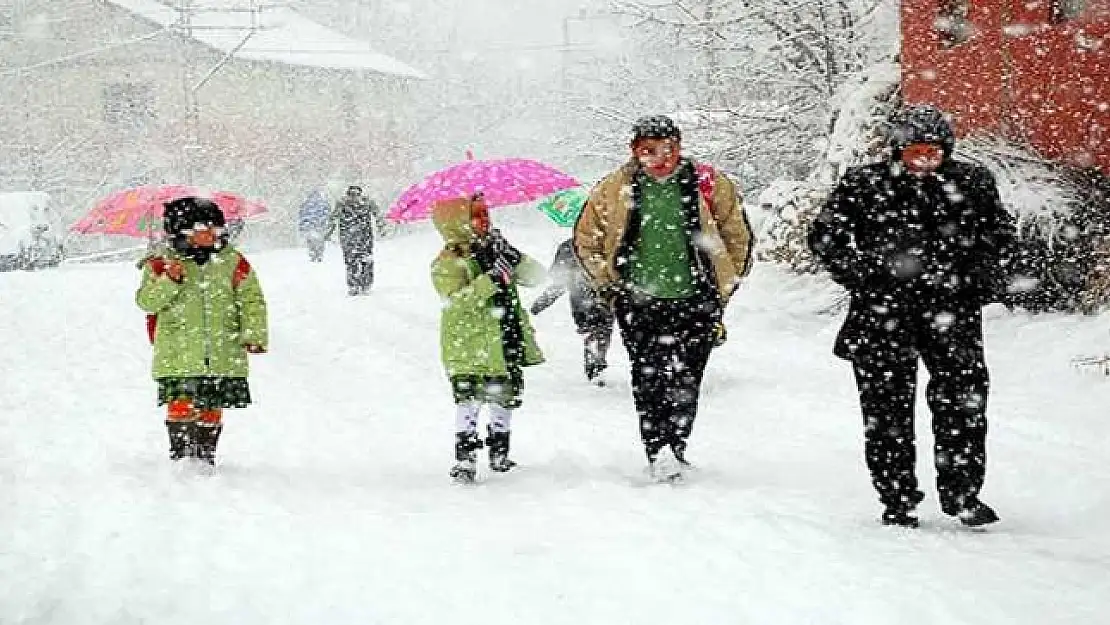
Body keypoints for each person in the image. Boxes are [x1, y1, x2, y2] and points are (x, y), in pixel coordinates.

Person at [807, 104, 1016, 528]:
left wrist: (977, 273)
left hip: (952, 314)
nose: (923, 160)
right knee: (886, 414)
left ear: (947, 150)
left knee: (963, 405)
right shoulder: (864, 184)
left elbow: (1000, 236)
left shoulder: (971, 183)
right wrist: (861, 273)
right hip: (881, 315)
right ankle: (897, 497)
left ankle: (963, 494)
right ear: (897, 150)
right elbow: (825, 236)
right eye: (913, 151)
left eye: (932, 152)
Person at [573, 115, 754, 481]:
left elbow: (737, 234)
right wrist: (609, 282)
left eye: (669, 149)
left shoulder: (708, 184)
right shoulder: (614, 188)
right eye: (649, 151)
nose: (661, 158)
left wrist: (724, 284)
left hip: (696, 298)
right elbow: (586, 238)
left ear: (680, 147)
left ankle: (678, 442)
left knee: (689, 376)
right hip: (638, 300)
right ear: (634, 152)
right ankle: (657, 448)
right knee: (648, 375)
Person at [136, 197, 269, 465]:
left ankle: (205, 453)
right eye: (203, 228)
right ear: (182, 231)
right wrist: (169, 280)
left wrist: (253, 334)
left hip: (222, 349)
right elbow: (146, 302)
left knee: (211, 402)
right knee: (181, 401)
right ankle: (182, 454)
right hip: (178, 350)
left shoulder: (232, 261)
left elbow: (252, 299)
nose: (212, 233)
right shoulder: (161, 263)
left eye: (216, 228)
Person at [431, 193, 546, 483]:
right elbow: (455, 302)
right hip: (471, 344)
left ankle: (500, 452)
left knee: (504, 396)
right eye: (476, 215)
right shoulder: (448, 261)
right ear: (457, 223)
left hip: (505, 335)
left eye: (486, 213)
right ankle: (465, 458)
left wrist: (514, 256)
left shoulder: (497, 250)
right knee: (469, 400)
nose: (485, 220)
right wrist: (490, 279)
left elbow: (536, 277)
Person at [530, 238, 615, 386]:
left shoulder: (570, 246)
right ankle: (596, 364)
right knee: (600, 332)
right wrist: (542, 303)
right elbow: (560, 281)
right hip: (596, 299)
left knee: (594, 332)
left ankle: (595, 364)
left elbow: (559, 282)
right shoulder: (606, 243)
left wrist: (542, 302)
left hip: (585, 300)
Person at [326, 185, 380, 295]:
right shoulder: (367, 202)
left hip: (348, 237)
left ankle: (353, 285)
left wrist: (328, 233)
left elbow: (332, 218)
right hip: (365, 236)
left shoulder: (342, 203)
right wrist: (381, 226)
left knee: (351, 261)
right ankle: (366, 284)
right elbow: (378, 215)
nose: (354, 197)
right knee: (366, 260)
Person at [298, 188, 331, 262]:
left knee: (311, 240)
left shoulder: (306, 203)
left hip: (309, 225)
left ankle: (313, 252)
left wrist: (302, 226)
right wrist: (325, 222)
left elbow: (302, 215)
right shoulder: (323, 203)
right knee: (320, 240)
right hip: (320, 225)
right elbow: (327, 213)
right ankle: (319, 253)